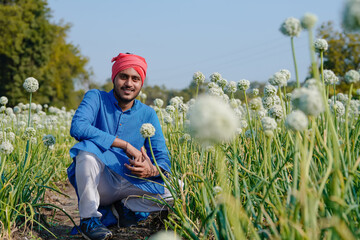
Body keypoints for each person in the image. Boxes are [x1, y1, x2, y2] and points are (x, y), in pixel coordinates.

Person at [67, 52, 172, 240]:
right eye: (124, 76)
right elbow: (78, 127)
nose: (129, 83)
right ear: (114, 78)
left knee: (181, 192)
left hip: (133, 181)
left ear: (141, 83)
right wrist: (124, 145)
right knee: (86, 154)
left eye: (135, 79)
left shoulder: (148, 114)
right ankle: (89, 220)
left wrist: (151, 170)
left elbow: (162, 156)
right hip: (102, 182)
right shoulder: (96, 98)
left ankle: (124, 208)